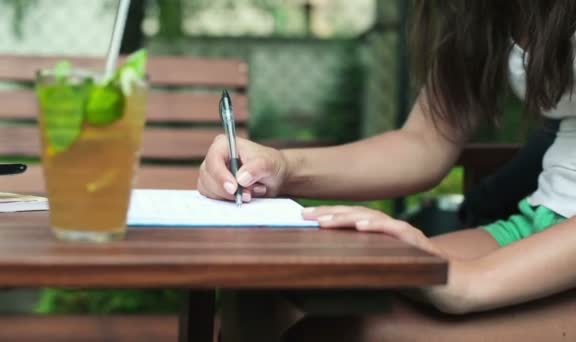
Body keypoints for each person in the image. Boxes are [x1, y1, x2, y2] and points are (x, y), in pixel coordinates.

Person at [198, 1, 576, 340]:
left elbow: (466, 285)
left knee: (342, 332)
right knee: (262, 293)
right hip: (541, 223)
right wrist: (282, 167)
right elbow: (424, 143)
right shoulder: (483, 12)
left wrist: (469, 282)